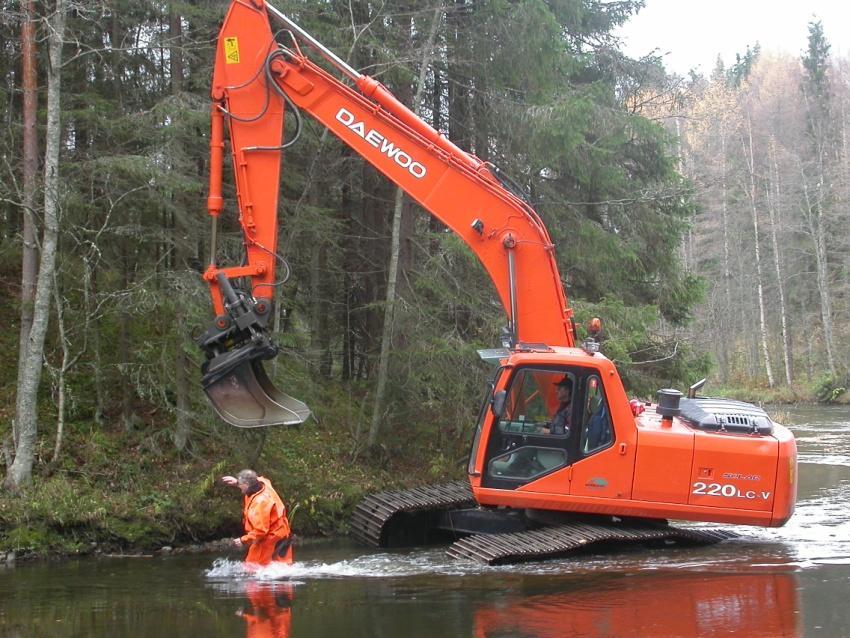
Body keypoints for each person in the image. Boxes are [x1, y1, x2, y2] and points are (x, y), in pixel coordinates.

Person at [222, 469, 293, 566]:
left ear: (246, 484)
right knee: (282, 567)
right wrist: (237, 482)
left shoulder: (260, 503)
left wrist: (243, 540)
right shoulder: (263, 483)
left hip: (270, 538)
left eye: (240, 485)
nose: (239, 488)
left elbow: (261, 531)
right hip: (283, 534)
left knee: (253, 569)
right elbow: (258, 478)